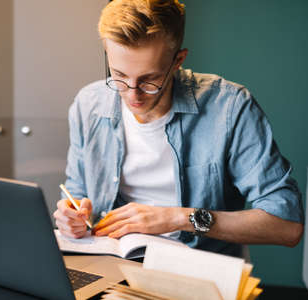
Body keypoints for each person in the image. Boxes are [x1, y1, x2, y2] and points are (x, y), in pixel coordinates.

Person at [53, 0, 304, 257]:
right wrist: (71, 216)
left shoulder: (229, 108)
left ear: (178, 61)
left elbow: (286, 225)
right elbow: (77, 194)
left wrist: (179, 218)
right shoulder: (89, 104)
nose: (133, 95)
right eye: (118, 76)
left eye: (150, 79)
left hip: (198, 268)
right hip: (112, 262)